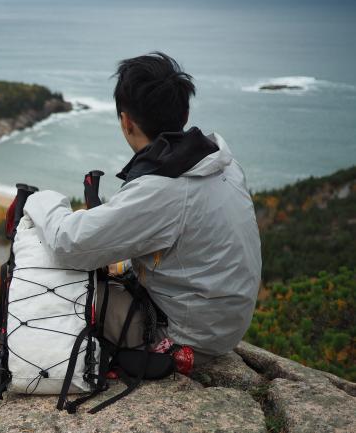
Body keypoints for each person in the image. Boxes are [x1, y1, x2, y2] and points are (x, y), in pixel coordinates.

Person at [23, 52, 262, 364]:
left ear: (126, 121)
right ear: (185, 112)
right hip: (220, 325)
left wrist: (40, 200)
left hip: (184, 339)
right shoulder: (220, 161)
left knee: (57, 286)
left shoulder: (164, 188)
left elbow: (68, 244)